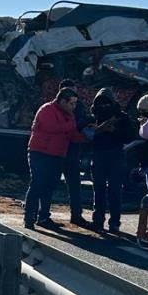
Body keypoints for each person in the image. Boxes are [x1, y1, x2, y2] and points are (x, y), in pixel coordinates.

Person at [24, 88, 85, 230]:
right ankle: (29, 217)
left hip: (57, 154)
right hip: (40, 153)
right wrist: (75, 126)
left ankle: (43, 216)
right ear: (63, 101)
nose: (73, 107)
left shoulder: (69, 115)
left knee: (49, 186)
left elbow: (71, 134)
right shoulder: (47, 109)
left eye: (75, 104)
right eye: (72, 103)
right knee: (37, 184)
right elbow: (51, 127)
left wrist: (86, 135)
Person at [89, 88, 134, 233]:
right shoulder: (93, 116)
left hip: (114, 156)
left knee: (113, 190)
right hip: (100, 155)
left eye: (106, 103)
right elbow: (85, 136)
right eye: (101, 104)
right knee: (100, 190)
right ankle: (99, 221)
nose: (103, 107)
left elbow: (129, 136)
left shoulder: (121, 117)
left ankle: (113, 222)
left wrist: (113, 131)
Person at [58, 79, 91, 225]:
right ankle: (76, 215)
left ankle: (41, 214)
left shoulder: (54, 107)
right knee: (73, 184)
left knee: (49, 183)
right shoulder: (77, 106)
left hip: (63, 150)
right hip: (68, 149)